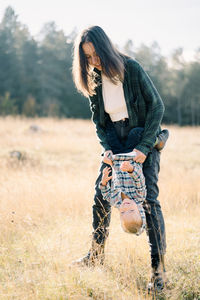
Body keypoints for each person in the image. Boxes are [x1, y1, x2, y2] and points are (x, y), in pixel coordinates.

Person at [72, 25, 168, 292]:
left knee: (148, 201)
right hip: (115, 141)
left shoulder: (132, 68)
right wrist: (107, 149)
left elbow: (157, 106)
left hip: (141, 137)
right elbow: (98, 121)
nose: (93, 62)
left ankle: (158, 273)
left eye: (96, 55)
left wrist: (145, 147)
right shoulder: (96, 78)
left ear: (106, 48)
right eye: (88, 58)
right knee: (100, 196)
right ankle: (95, 256)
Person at [100, 153, 147, 236]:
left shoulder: (116, 202)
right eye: (131, 210)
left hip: (115, 159)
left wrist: (104, 182)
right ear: (139, 210)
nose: (126, 207)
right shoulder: (139, 196)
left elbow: (106, 194)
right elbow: (139, 180)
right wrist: (131, 169)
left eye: (123, 213)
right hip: (130, 156)